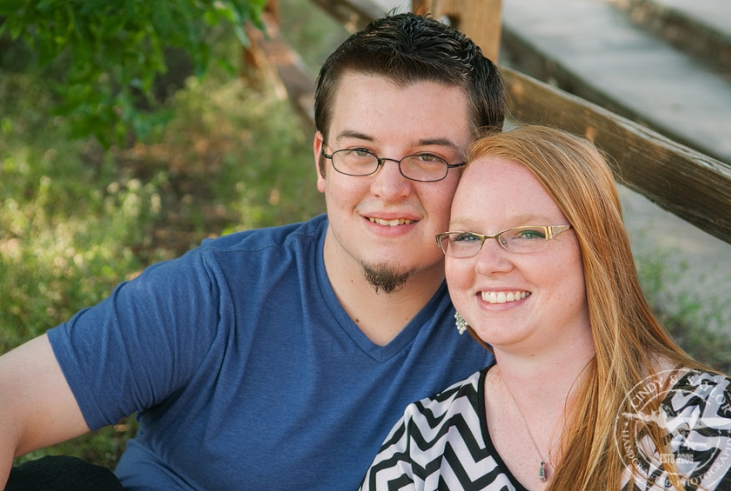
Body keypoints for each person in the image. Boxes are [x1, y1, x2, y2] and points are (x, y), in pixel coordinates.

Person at [0, 13, 506, 491]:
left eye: (428, 157)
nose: (389, 187)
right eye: (359, 152)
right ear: (322, 161)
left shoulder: (506, 324)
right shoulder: (218, 290)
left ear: (483, 170)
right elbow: (10, 397)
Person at [360, 126, 731, 491]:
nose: (488, 262)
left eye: (528, 233)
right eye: (466, 237)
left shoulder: (703, 425)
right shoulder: (423, 445)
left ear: (596, 247)